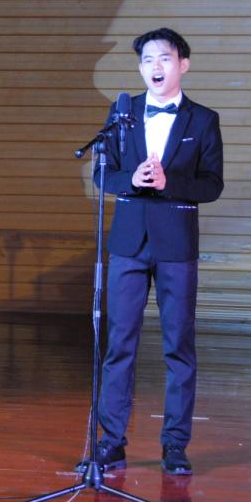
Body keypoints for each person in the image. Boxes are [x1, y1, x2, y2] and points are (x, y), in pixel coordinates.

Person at [89, 28, 224, 475]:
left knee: (178, 347)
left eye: (164, 58)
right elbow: (102, 174)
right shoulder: (122, 112)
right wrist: (131, 180)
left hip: (175, 246)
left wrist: (169, 184)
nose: (155, 67)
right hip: (128, 244)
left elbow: (212, 185)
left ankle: (175, 445)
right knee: (119, 345)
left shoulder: (203, 120)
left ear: (183, 64)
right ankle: (111, 442)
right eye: (147, 60)